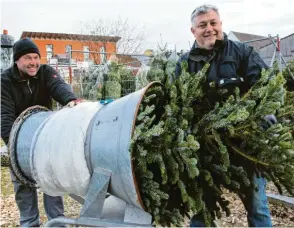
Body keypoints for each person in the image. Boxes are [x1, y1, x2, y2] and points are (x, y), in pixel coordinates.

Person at [175, 4, 274, 227]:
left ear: (220, 25)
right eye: (202, 25)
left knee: (258, 206)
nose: (209, 29)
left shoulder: (243, 53)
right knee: (202, 209)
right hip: (205, 150)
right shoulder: (185, 64)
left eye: (213, 23)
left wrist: (265, 111)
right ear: (193, 31)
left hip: (246, 145)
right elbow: (178, 104)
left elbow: (264, 84)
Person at [1, 37, 80, 227]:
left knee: (52, 183)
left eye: (36, 57)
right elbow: (4, 116)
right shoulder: (4, 81)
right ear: (17, 60)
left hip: (46, 141)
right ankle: (29, 223)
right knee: (24, 189)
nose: (33, 62)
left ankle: (58, 223)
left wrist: (71, 100)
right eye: (28, 58)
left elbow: (58, 86)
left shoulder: (45, 72)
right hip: (18, 141)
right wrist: (15, 149)